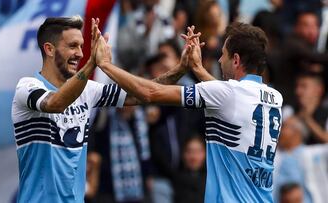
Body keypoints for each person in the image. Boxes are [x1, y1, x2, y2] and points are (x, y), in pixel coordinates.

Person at [11, 16, 202, 203]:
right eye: (72, 46)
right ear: (49, 49)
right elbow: (55, 104)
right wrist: (92, 64)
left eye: (81, 46)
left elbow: (143, 93)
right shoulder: (27, 87)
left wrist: (181, 69)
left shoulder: (87, 90)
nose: (79, 53)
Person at [94, 22, 283, 202]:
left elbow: (150, 93)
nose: (219, 59)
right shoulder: (275, 98)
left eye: (223, 54)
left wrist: (105, 65)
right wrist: (198, 69)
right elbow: (227, 98)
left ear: (235, 60)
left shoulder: (228, 94)